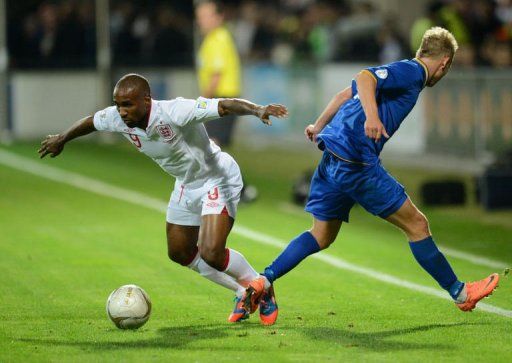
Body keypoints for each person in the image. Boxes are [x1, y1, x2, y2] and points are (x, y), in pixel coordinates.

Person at [241, 27, 500, 325]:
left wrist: (318, 124)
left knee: (321, 235)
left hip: (333, 156)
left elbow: (344, 93)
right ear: (444, 63)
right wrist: (373, 117)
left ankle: (263, 280)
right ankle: (460, 293)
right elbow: (365, 77)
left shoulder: (402, 71)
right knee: (417, 224)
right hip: (356, 162)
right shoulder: (413, 72)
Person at [38, 73, 288, 324]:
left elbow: (222, 105)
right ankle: (242, 292)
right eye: (118, 104)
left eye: (128, 104)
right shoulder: (117, 119)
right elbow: (92, 121)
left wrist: (257, 110)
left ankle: (263, 290)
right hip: (186, 184)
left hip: (217, 177)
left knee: (212, 251)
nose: (121, 111)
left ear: (147, 100)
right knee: (180, 251)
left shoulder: (176, 111)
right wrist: (62, 138)